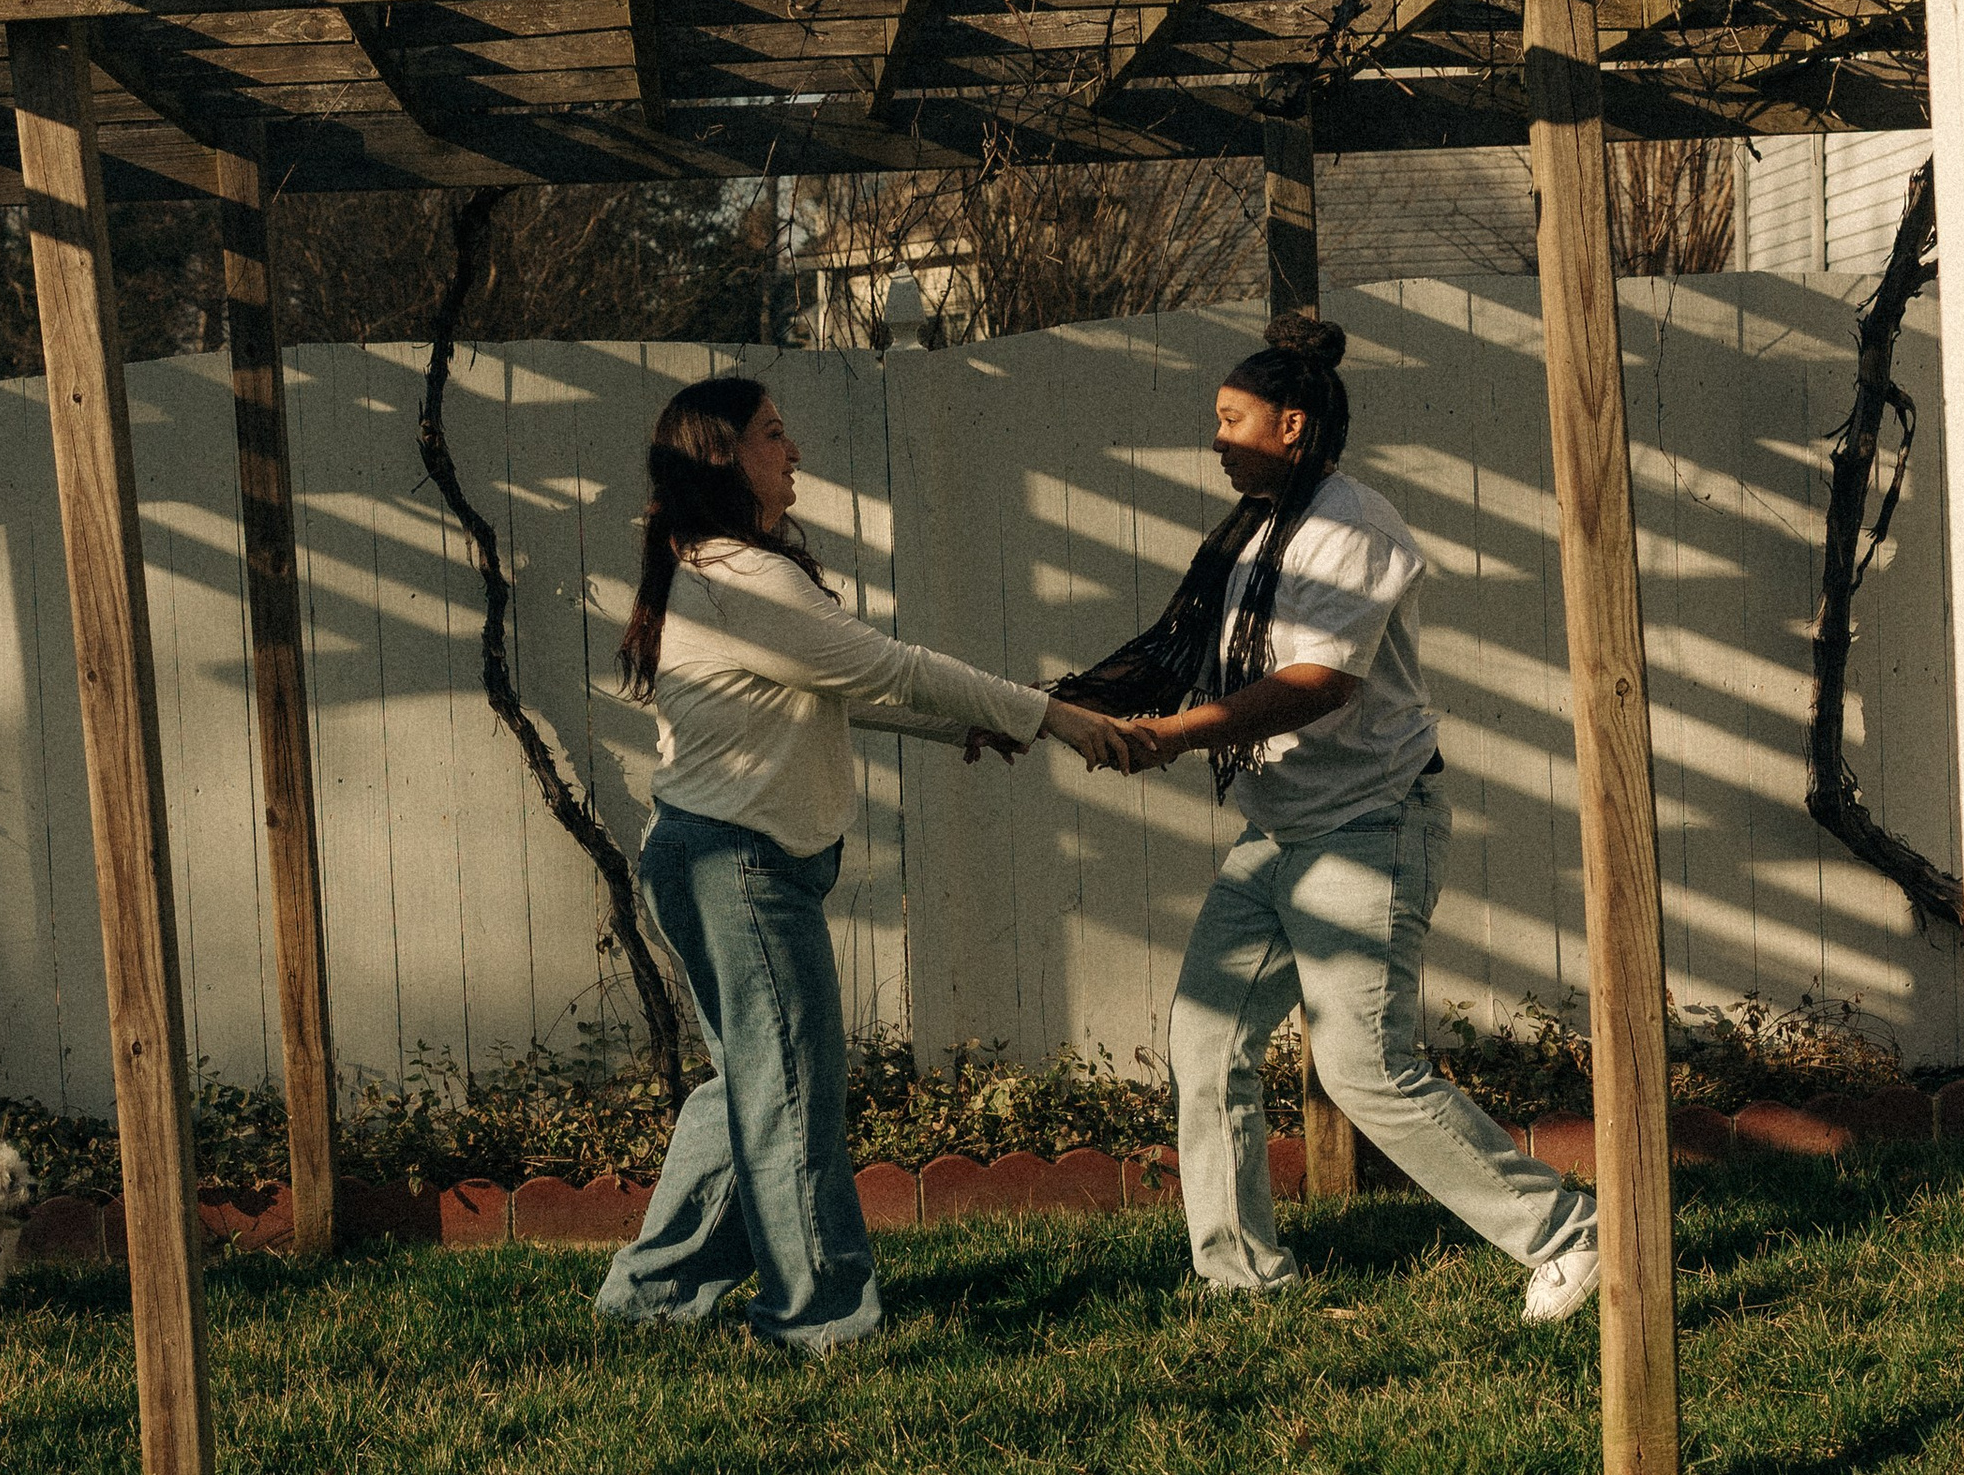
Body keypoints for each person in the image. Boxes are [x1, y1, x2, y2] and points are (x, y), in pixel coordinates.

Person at [1066, 314, 1600, 1321]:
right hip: (1278, 831)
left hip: (1364, 826)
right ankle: (1242, 1283)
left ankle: (1571, 1236)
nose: (1216, 441)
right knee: (1206, 1044)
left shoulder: (1352, 529)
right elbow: (1170, 652)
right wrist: (1047, 709)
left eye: (1233, 422)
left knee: (1363, 1067)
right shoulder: (1255, 531)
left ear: (1293, 427)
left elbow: (1317, 686)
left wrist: (1176, 738)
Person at [597, 373, 1133, 1354]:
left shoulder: (718, 566)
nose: (793, 452)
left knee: (752, 1085)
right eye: (772, 435)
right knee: (791, 1089)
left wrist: (979, 724)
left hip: (717, 859)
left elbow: (838, 690)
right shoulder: (738, 574)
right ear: (724, 455)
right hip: (735, 871)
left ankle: (651, 1295)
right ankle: (820, 1318)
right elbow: (886, 665)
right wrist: (1045, 711)